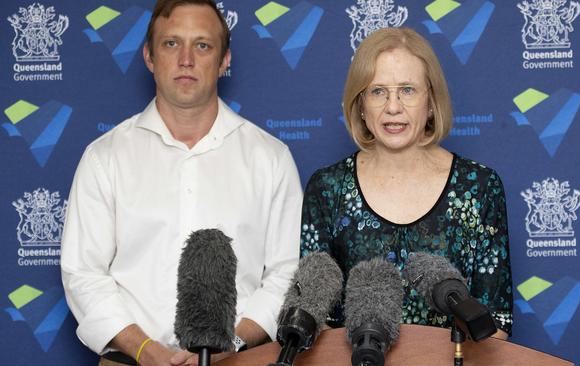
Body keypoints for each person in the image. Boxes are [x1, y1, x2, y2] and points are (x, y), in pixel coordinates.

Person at [60, 1, 302, 365]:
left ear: (224, 61)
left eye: (202, 45)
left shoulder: (270, 158)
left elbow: (287, 272)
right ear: (149, 57)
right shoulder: (105, 157)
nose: (186, 59)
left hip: (237, 361)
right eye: (172, 44)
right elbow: (83, 273)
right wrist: (146, 350)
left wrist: (229, 345)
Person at [300, 27, 513, 339]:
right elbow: (314, 317)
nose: (393, 107)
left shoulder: (480, 188)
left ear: (431, 102)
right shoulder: (327, 188)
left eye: (408, 90)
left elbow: (496, 324)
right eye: (378, 91)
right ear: (360, 104)